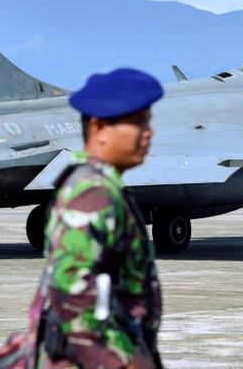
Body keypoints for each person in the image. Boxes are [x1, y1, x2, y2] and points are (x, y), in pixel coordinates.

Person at [39, 68, 164, 368]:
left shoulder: (101, 187)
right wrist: (127, 361)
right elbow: (71, 295)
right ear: (98, 127)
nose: (149, 132)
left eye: (148, 122)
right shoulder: (91, 193)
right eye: (137, 123)